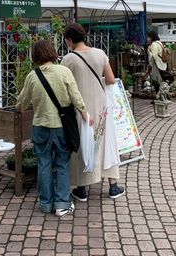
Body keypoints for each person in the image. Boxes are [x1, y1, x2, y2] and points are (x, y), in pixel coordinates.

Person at [17, 39, 89, 216]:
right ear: (52, 52)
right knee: (63, 163)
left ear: (35, 56)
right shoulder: (64, 72)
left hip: (41, 126)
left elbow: (22, 104)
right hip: (62, 127)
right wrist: (85, 113)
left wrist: (20, 106)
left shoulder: (32, 76)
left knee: (44, 164)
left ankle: (45, 203)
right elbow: (76, 96)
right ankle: (62, 204)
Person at [61, 23, 125, 202]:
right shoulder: (100, 53)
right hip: (101, 106)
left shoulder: (68, 59)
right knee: (105, 142)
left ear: (70, 39)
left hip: (80, 109)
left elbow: (65, 86)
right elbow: (111, 80)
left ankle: (81, 189)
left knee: (81, 142)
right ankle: (113, 186)